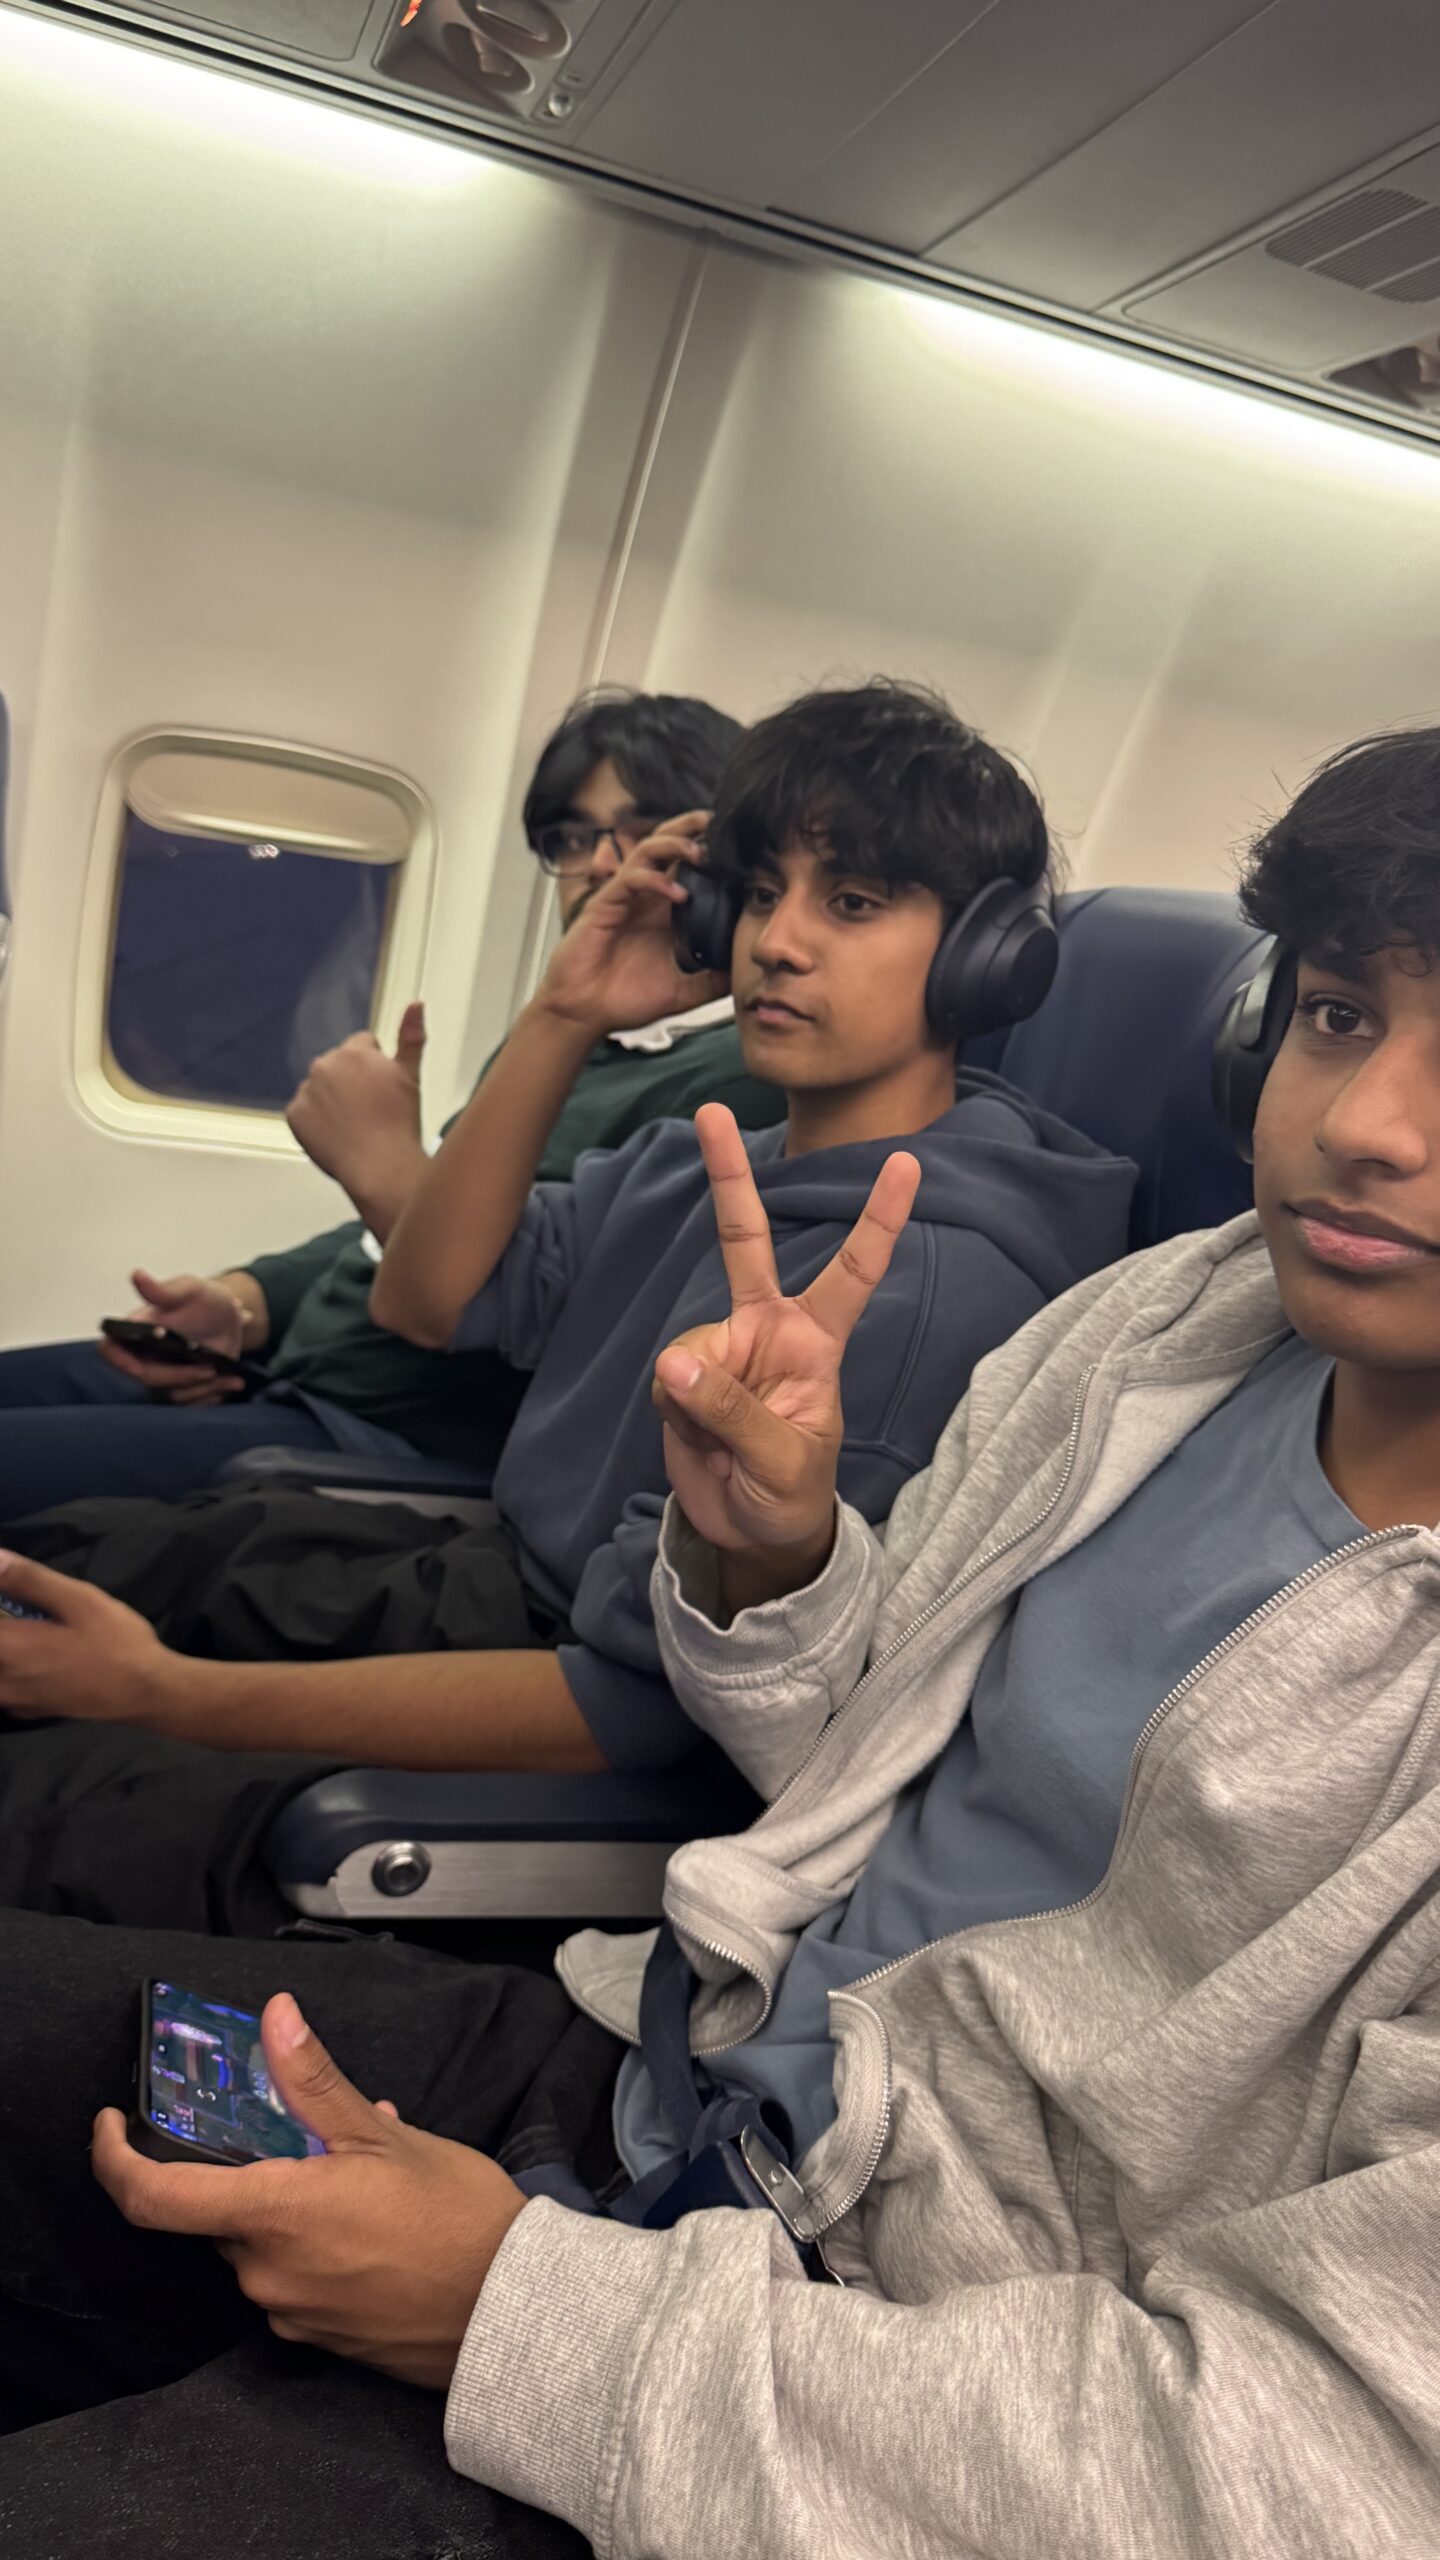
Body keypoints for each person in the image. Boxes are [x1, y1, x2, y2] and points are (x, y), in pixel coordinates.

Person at [1, 723, 1439, 2558]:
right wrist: (771, 1564)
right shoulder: (1171, 1331)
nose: (1366, 1123)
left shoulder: (987, 1268)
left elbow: (1322, 2469)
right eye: (1338, 1014)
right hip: (668, 2066)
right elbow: (850, 1759)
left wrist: (521, 2311)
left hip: (888, 2368)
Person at [0, 681, 1132, 1933]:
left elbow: (627, 1709)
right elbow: (429, 1295)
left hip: (563, 1721)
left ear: (984, 958)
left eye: (852, 902)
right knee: (74, 1560)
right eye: (761, 894)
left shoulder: (917, 1285)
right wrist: (566, 1009)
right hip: (487, 1580)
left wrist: (167, 1695)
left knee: (44, 1796)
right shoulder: (709, 1159)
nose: (777, 941)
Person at [0, 688, 775, 1512]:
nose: (600, 862)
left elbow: (552, 1315)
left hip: (384, 1441)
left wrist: (381, 1166)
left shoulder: (729, 1087)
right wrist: (247, 1304)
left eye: (645, 827)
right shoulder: (582, 1039)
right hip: (284, 1376)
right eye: (574, 837)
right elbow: (398, 1229)